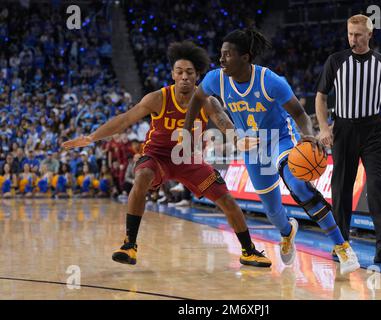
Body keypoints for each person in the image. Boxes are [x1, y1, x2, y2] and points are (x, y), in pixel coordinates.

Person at [62, 41, 271, 268]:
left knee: (227, 200)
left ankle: (248, 251)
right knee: (142, 178)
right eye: (179, 72)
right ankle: (129, 245)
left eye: (189, 72)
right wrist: (93, 137)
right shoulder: (158, 98)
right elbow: (124, 119)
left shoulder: (207, 101)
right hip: (157, 157)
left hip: (188, 160)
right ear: (172, 74)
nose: (184, 77)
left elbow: (224, 122)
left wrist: (238, 138)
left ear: (197, 76)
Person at [183, 28, 359, 274]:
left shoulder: (271, 81)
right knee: (273, 212)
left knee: (298, 186)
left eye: (227, 54)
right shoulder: (216, 79)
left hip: (280, 138)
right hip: (251, 147)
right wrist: (187, 128)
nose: (221, 59)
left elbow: (298, 112)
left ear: (245, 57)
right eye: (221, 54)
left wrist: (308, 134)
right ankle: (288, 232)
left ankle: (342, 245)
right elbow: (197, 98)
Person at [315, 14, 381, 264]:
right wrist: (324, 128)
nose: (353, 39)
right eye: (350, 34)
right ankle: (341, 243)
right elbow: (321, 96)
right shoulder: (336, 61)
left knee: (376, 184)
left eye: (358, 34)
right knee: (341, 187)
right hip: (344, 129)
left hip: (374, 129)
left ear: (369, 34)